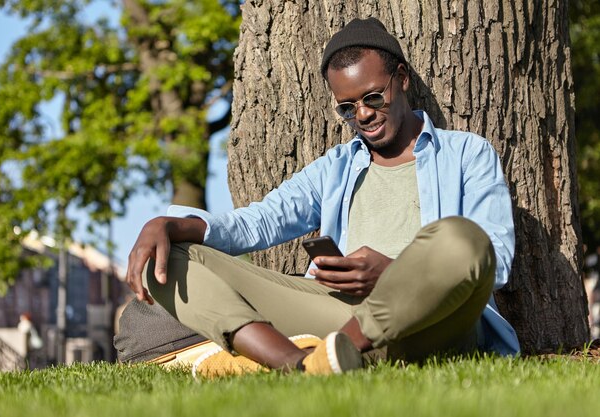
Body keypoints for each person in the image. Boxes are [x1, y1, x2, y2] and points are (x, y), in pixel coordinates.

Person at [126, 17, 520, 377]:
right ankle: (298, 364)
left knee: (461, 238)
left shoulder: (468, 153)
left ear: (401, 79)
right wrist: (171, 224)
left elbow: (494, 261)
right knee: (169, 255)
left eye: (373, 98)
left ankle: (325, 353)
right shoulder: (335, 167)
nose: (362, 115)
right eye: (348, 108)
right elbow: (259, 221)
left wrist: (393, 273)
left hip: (435, 325)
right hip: (340, 315)